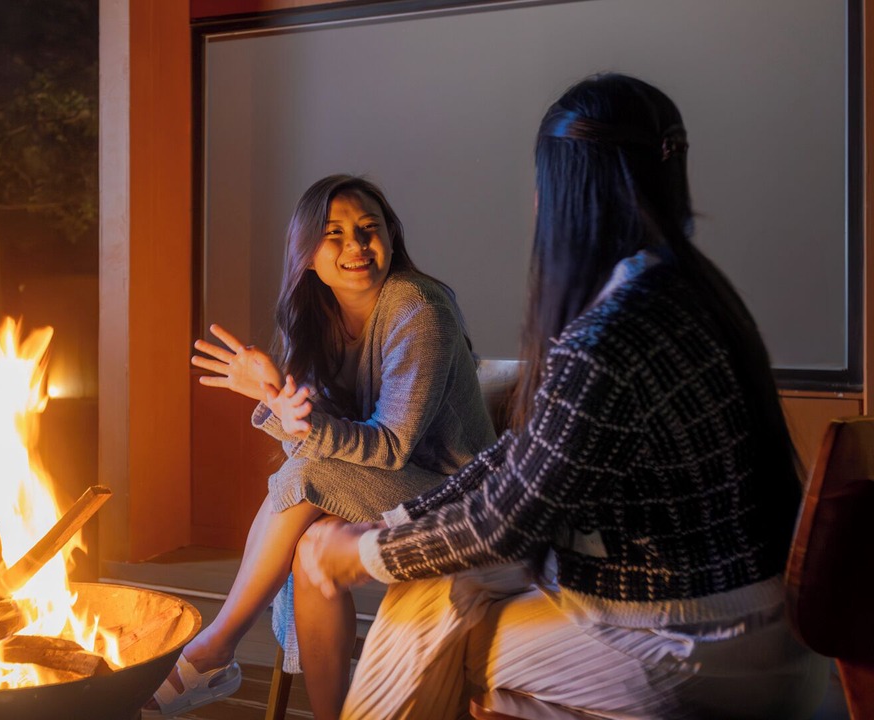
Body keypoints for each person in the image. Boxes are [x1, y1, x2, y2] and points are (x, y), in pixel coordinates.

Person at [298, 74, 831, 719]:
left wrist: (361, 553)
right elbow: (522, 457)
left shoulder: (607, 333)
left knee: (429, 609)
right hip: (763, 621)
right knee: (442, 588)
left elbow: (508, 519)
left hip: (693, 644)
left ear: (569, 193)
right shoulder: (685, 288)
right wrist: (395, 525)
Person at [144, 174, 496, 718]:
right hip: (394, 492)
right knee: (313, 548)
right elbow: (318, 446)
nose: (356, 245)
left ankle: (214, 647)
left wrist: (298, 423)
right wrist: (277, 396)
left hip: (463, 504)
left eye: (368, 229)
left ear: (390, 238)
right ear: (308, 255)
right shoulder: (318, 318)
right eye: (334, 233)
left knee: (310, 474)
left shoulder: (419, 306)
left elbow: (390, 446)